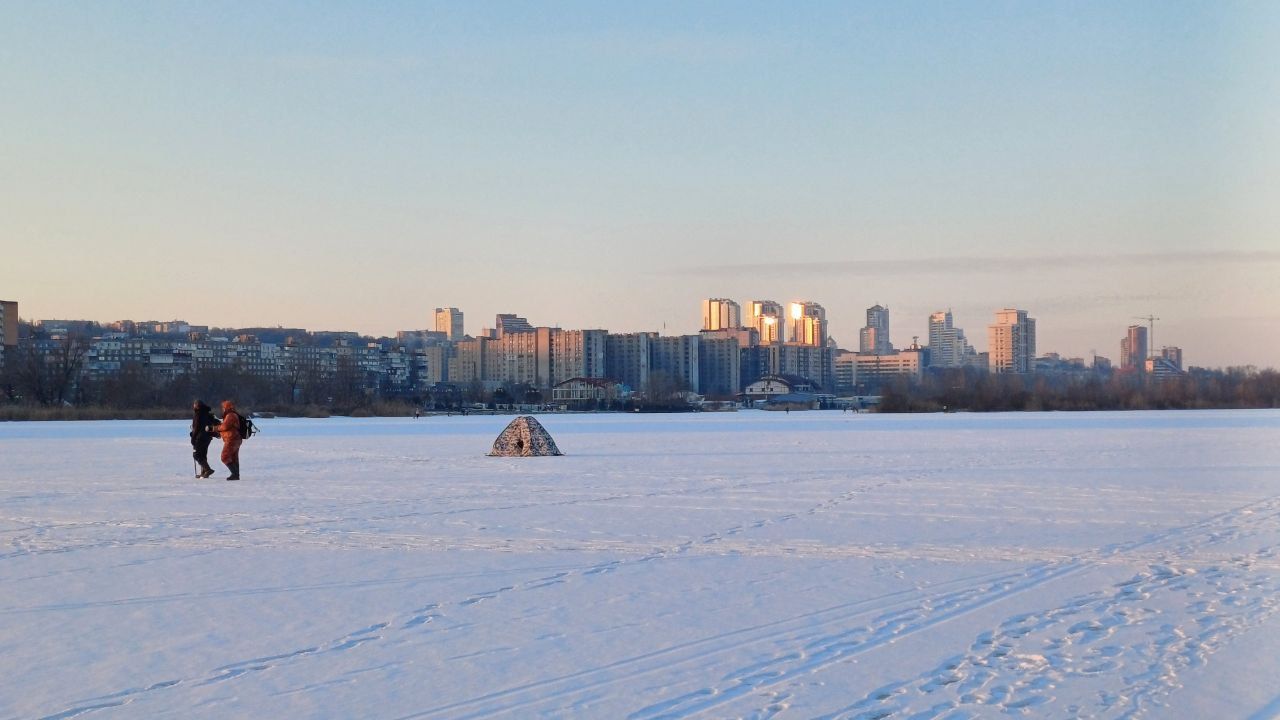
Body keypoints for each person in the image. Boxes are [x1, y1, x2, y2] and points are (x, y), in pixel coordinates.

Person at [213, 399, 244, 481]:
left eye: (223, 407)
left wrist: (215, 428)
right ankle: (236, 475)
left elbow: (224, 427)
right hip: (236, 438)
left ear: (226, 407)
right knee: (233, 457)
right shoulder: (232, 414)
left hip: (232, 439)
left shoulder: (230, 415)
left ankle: (234, 474)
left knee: (225, 456)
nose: (222, 409)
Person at [190, 400, 219, 478]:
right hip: (208, 437)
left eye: (194, 405)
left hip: (200, 438)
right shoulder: (208, 414)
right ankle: (204, 473)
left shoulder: (198, 414)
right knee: (203, 454)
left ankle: (207, 470)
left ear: (197, 406)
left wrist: (193, 437)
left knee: (196, 455)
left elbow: (196, 428)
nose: (193, 406)